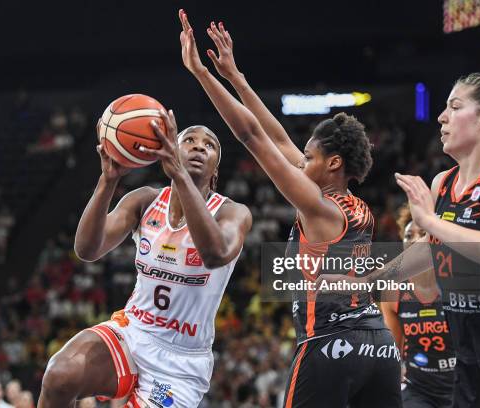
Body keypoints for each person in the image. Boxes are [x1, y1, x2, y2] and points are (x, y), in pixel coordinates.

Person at [178, 10, 400, 407]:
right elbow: (277, 137)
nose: (301, 161)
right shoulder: (356, 206)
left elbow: (251, 135)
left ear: (333, 164)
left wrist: (200, 73)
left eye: (309, 156)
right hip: (379, 347)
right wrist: (236, 77)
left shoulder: (318, 207)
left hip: (330, 344)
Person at [38, 109, 252, 407]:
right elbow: (87, 250)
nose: (199, 146)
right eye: (189, 139)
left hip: (180, 364)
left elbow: (215, 254)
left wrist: (178, 172)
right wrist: (107, 180)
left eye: (210, 145)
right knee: (60, 374)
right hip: (133, 331)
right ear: (172, 150)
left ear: (215, 172)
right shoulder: (145, 200)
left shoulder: (232, 212)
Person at [322, 72, 480, 407]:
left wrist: (430, 222)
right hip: (469, 361)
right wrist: (366, 281)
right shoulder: (443, 183)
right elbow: (429, 249)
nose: (441, 117)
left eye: (454, 107)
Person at [380, 205, 455, 408]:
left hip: (463, 386)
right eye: (408, 235)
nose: (414, 240)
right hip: (419, 391)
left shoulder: (458, 283)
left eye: (423, 234)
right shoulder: (392, 292)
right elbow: (392, 351)